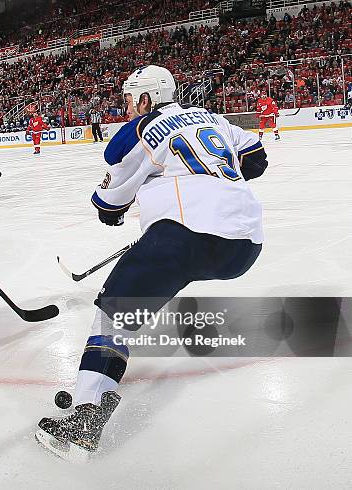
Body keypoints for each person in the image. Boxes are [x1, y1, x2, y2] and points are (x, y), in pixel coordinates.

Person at [35, 65, 268, 462]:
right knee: (170, 265)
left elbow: (107, 207)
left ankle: (85, 415)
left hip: (183, 236)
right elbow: (256, 160)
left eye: (130, 99)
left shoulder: (142, 129)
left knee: (112, 316)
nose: (128, 107)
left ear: (145, 99)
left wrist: (137, 201)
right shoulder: (213, 117)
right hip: (244, 243)